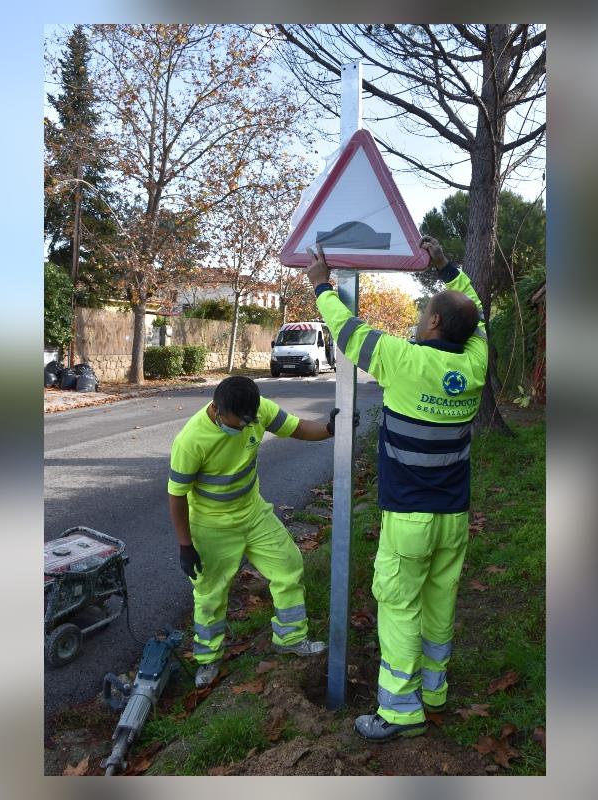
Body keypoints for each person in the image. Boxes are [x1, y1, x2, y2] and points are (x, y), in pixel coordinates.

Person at [303, 237, 488, 742]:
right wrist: (448, 268)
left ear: (432, 325)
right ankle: (434, 691)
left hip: (410, 518)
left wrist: (321, 284)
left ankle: (401, 712)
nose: (419, 315)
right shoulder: (474, 365)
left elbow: (345, 330)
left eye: (425, 310)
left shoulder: (402, 360)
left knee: (400, 606)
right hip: (453, 518)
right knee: (439, 602)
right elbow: (478, 321)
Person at [168, 376, 351, 687]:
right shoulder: (191, 441)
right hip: (212, 526)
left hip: (253, 513)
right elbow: (176, 495)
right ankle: (208, 661)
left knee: (289, 566)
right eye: (236, 423)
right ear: (216, 409)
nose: (243, 428)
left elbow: (297, 428)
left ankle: (290, 638)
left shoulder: (257, 411)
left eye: (248, 421)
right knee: (210, 594)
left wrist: (330, 429)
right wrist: (185, 545)